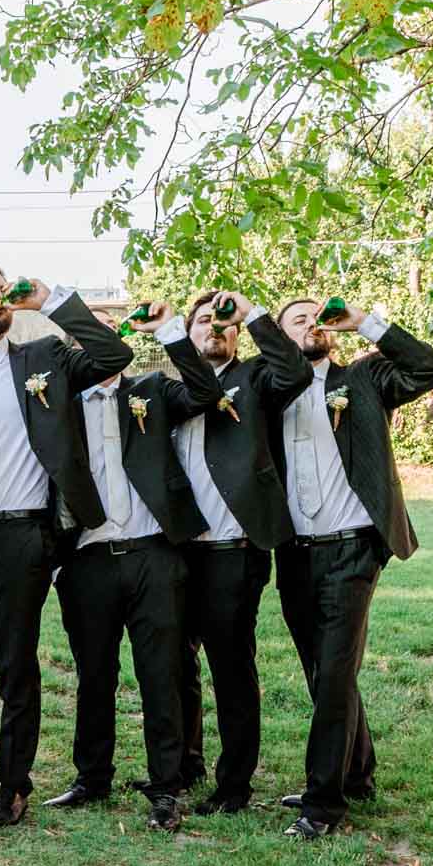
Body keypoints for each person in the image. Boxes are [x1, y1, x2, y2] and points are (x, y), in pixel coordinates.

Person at [0, 268, 133, 830]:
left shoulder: (43, 357)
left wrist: (55, 301)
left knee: (14, 664)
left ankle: (12, 787)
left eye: (4, 288)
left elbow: (112, 353)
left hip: (21, 535)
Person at [271, 297, 433, 838]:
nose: (311, 324)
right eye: (297, 320)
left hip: (352, 549)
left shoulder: (365, 379)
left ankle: (323, 805)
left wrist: (365, 323)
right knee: (324, 673)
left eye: (317, 316)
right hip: (295, 553)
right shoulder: (268, 392)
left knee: (336, 671)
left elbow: (428, 368)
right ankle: (357, 773)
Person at [44, 304, 222, 832]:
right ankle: (91, 777)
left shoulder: (153, 390)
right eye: (84, 330)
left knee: (160, 674)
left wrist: (170, 332)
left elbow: (206, 393)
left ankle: (165, 787)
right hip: (87, 559)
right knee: (93, 674)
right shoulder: (56, 406)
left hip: (153, 555)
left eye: (105, 325)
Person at [173, 290, 313, 815]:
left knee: (231, 668)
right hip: (177, 552)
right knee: (175, 665)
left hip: (233, 550)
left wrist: (251, 313)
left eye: (224, 323)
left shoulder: (255, 380)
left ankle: (233, 785)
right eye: (205, 321)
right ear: (184, 334)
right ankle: (183, 765)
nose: (216, 329)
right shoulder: (170, 392)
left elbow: (295, 371)